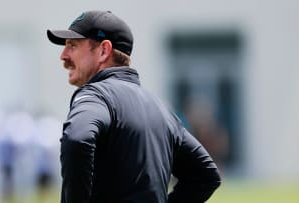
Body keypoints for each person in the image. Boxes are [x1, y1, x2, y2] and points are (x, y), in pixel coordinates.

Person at [47, 10, 221, 203]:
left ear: (103, 50)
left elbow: (77, 139)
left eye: (73, 45)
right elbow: (205, 176)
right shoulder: (161, 108)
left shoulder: (96, 95)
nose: (63, 55)